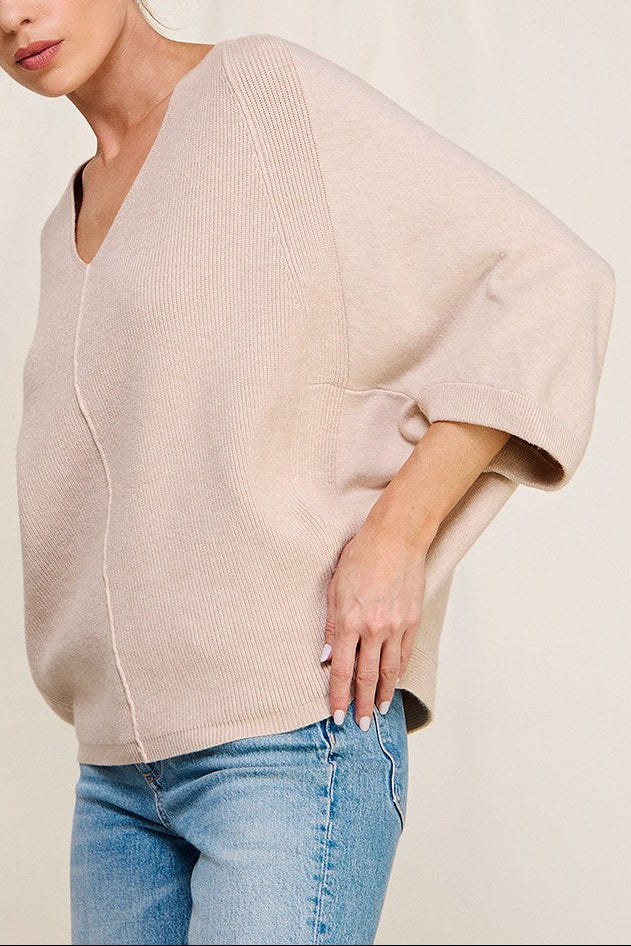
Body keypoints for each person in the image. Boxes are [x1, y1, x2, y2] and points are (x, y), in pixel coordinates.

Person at [3, 1, 615, 944]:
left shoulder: (259, 90)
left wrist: (397, 533)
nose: (14, 17)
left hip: (287, 737)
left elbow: (549, 274)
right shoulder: (65, 217)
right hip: (116, 778)